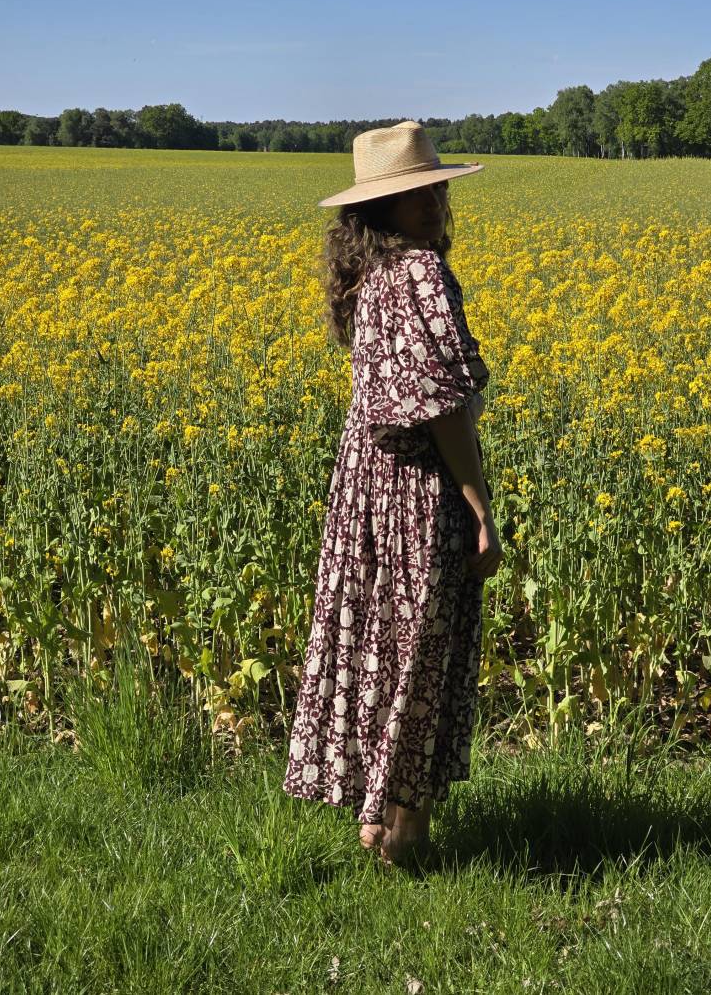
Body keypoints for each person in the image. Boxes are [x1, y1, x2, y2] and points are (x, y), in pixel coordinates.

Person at [282, 120, 503, 865]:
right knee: (420, 651)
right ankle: (403, 832)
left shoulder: (367, 276)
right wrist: (479, 508)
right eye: (418, 192)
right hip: (415, 491)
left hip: (363, 489)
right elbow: (441, 407)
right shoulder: (422, 275)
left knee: (377, 644)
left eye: (435, 184)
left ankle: (375, 821)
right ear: (383, 207)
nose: (436, 198)